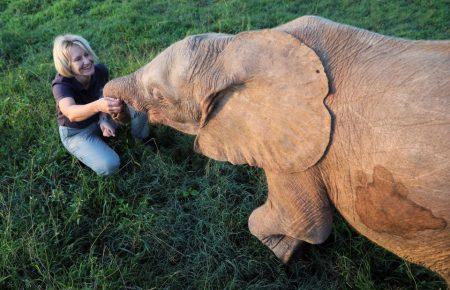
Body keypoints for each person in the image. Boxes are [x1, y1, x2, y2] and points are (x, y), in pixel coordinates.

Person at [51, 34, 149, 176]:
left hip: (99, 118)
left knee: (138, 104)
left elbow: (103, 95)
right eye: (78, 59)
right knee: (110, 165)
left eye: (87, 54)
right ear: (67, 64)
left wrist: (103, 118)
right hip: (77, 132)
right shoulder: (61, 85)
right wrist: (98, 106)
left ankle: (141, 141)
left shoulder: (100, 70)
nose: (87, 61)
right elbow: (71, 113)